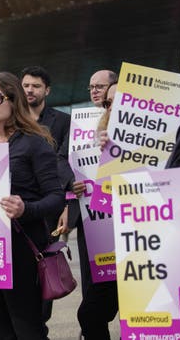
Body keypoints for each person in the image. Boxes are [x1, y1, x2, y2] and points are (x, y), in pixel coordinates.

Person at [0, 71, 64, 338]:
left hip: (22, 250)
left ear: (13, 100)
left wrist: (25, 208)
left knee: (27, 328)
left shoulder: (34, 144)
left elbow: (56, 197)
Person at [20, 65, 71, 337]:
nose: (29, 90)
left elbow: (66, 163)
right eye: (25, 85)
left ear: (47, 91)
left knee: (45, 279)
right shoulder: (12, 121)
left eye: (35, 86)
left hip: (50, 210)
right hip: (21, 213)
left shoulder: (62, 121)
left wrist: (66, 206)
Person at [77, 82, 119, 339]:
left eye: (118, 99)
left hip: (144, 242)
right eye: (107, 103)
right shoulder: (98, 140)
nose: (112, 107)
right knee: (90, 313)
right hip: (107, 243)